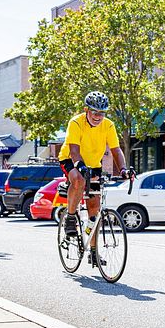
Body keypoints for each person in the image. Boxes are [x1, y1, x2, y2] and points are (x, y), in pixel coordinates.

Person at [58, 91, 131, 259]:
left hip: (94, 164)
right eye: (95, 112)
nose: (98, 116)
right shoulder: (76, 122)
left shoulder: (109, 125)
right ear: (86, 110)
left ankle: (92, 250)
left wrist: (123, 169)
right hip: (70, 159)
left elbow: (116, 150)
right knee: (78, 179)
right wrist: (80, 166)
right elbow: (74, 149)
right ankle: (70, 217)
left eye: (102, 112)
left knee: (94, 209)